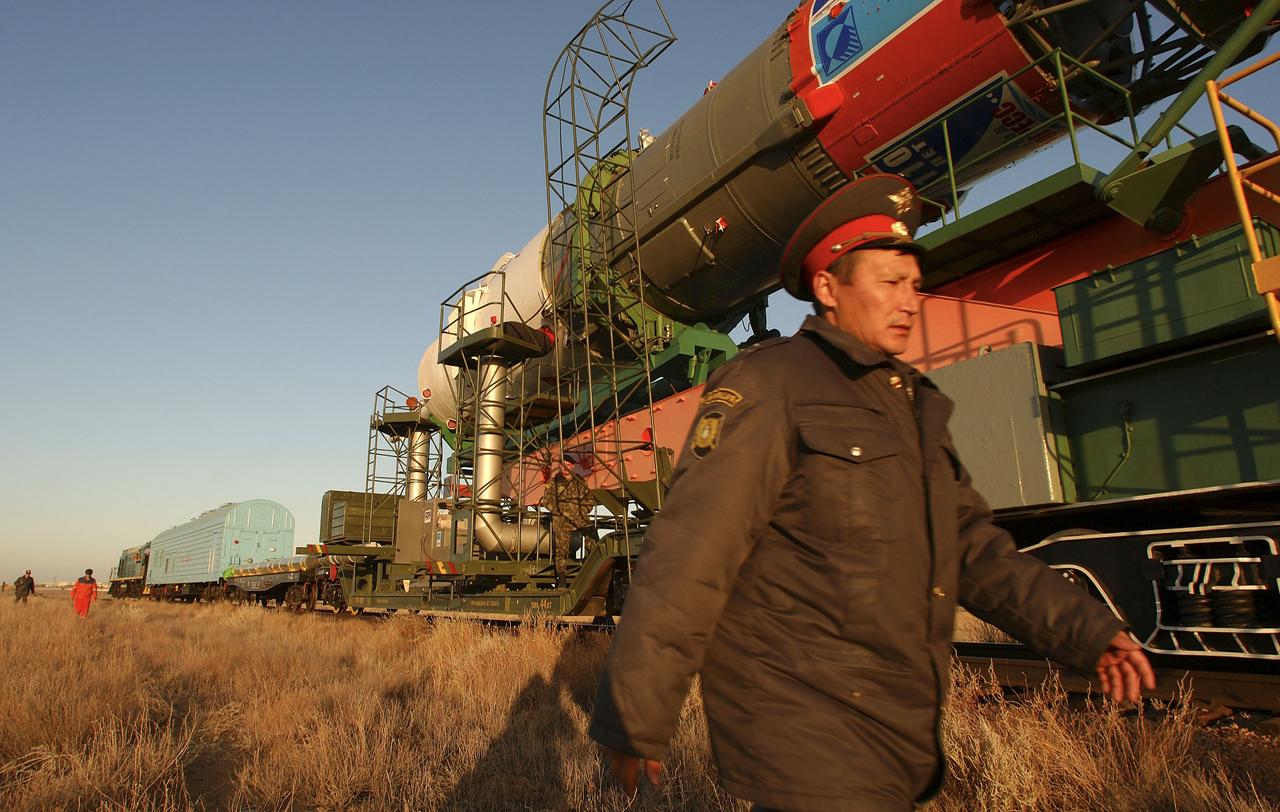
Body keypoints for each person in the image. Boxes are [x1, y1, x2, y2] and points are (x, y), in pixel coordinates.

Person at [588, 175, 1156, 811]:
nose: (910, 299)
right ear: (829, 288)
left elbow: (972, 548)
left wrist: (1087, 630)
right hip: (803, 728)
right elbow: (693, 555)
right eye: (888, 282)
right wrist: (636, 716)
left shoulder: (913, 405)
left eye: (914, 284)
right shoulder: (769, 384)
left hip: (895, 729)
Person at [539, 462, 596, 588]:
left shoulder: (579, 482)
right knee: (561, 551)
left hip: (580, 519)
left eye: (569, 465)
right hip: (562, 521)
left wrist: (582, 511)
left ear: (573, 466)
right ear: (560, 466)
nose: (566, 468)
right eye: (564, 465)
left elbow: (590, 500)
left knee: (593, 542)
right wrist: (560, 511)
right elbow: (547, 502)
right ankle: (561, 579)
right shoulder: (554, 483)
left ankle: (593, 572)